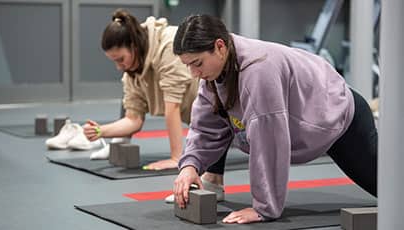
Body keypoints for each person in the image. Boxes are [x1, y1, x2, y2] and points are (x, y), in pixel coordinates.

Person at [172, 15, 377, 224]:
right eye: (188, 65)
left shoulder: (258, 70)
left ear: (220, 46)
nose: (194, 73)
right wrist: (190, 166)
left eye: (197, 63)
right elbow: (205, 128)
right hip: (313, 116)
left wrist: (263, 208)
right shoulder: (213, 74)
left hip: (340, 114)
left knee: (390, 189)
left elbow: (269, 142)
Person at [83, 9, 199, 170]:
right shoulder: (132, 74)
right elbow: (133, 120)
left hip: (225, 111)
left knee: (242, 139)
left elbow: (173, 107)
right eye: (114, 61)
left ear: (133, 46)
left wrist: (176, 158)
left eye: (121, 59)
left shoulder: (168, 46)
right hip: (207, 122)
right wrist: (100, 131)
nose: (118, 67)